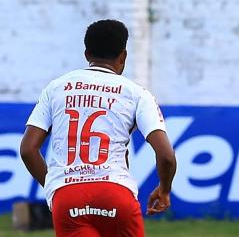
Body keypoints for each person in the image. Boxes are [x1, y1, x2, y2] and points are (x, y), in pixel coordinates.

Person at [20, 19, 177, 237]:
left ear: (86, 54)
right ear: (123, 56)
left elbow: (28, 149)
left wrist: (55, 187)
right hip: (115, 192)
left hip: (68, 197)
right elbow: (166, 156)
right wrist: (165, 189)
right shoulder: (137, 94)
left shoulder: (56, 88)